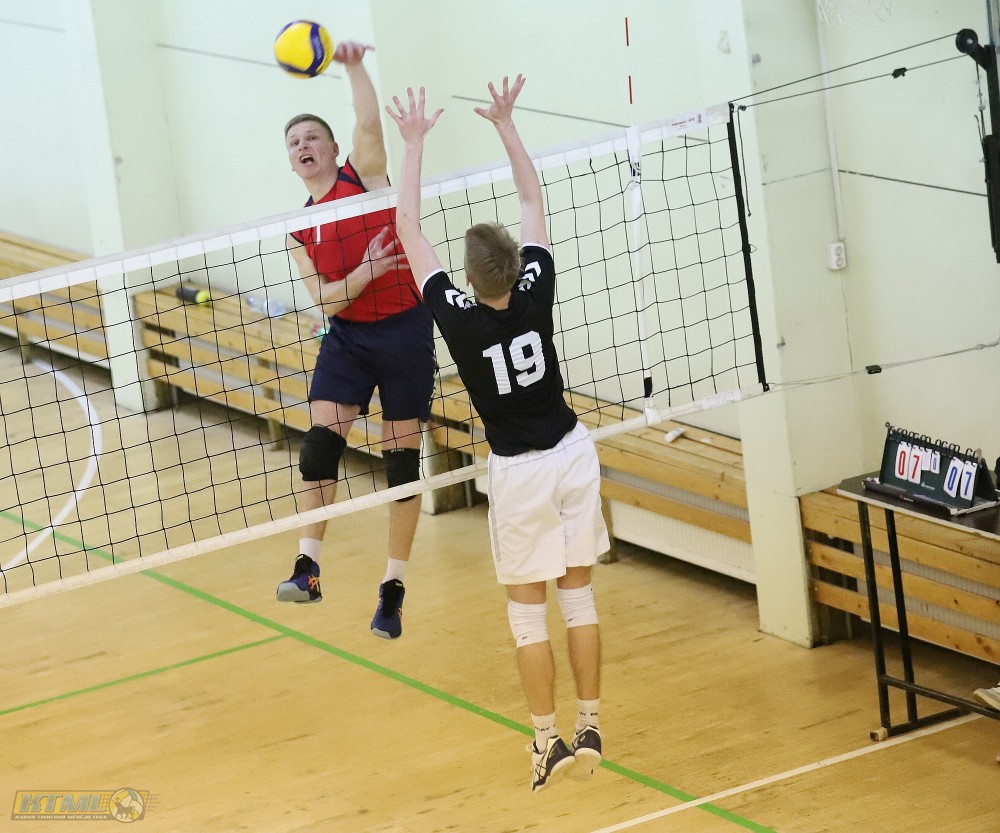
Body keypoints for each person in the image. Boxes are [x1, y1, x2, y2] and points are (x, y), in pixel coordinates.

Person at [386, 76, 609, 792]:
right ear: (515, 260)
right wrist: (507, 124)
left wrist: (413, 144)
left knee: (527, 615)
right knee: (579, 599)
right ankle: (590, 724)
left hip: (520, 471)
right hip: (574, 451)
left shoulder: (458, 315)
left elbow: (408, 228)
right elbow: (532, 199)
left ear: (470, 276)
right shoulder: (537, 285)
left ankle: (546, 741)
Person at [275, 40, 436, 642]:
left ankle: (393, 589)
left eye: (313, 137)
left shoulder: (363, 179)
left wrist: (352, 65)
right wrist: (364, 274)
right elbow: (326, 301)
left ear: (332, 150)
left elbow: (369, 122)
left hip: (404, 330)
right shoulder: (297, 229)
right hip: (347, 338)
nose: (304, 146)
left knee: (401, 466)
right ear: (292, 162)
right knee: (319, 447)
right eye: (294, 143)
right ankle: (307, 567)